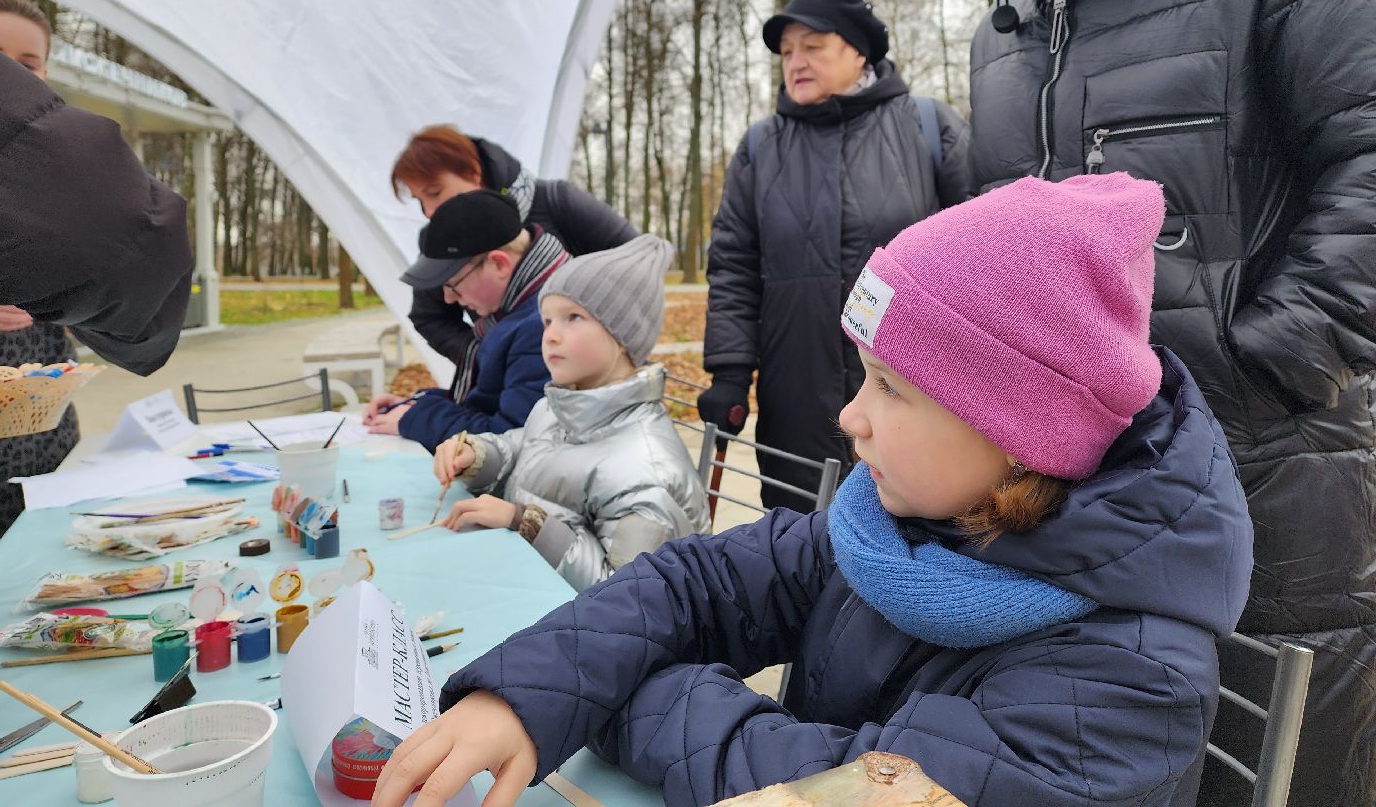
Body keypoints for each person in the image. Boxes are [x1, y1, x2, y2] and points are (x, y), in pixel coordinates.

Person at [907, 0, 1376, 804]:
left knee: (1295, 777)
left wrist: (1259, 371)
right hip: (1085, 518)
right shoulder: (1004, 39)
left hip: (1286, 501)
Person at [371, 173, 1253, 807]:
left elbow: (850, 792)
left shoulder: (1130, 682)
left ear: (1019, 432)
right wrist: (527, 691)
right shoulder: (895, 525)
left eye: (890, 388)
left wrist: (621, 690)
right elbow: (691, 582)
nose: (849, 418)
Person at [698, 0, 970, 508]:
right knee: (799, 540)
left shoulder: (931, 128)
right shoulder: (760, 147)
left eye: (812, 46)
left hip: (918, 388)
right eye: (786, 52)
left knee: (919, 536)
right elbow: (732, 267)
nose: (795, 61)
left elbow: (987, 250)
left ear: (858, 51)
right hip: (795, 391)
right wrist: (729, 374)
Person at [430, 235, 710, 591]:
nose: (550, 337)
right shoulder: (555, 407)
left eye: (573, 317)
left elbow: (628, 594)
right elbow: (528, 448)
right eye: (547, 321)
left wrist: (527, 523)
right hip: (534, 597)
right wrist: (476, 456)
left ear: (623, 337)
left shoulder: (646, 473)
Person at [0, 1, 193, 377]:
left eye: (28, 63)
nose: (11, 72)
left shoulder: (82, 165)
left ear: (45, 72)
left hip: (43, 403)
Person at [391, 125, 635, 366]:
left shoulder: (557, 201)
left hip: (595, 374)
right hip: (509, 384)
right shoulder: (438, 239)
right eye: (419, 201)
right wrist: (485, 355)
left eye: (434, 192)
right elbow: (429, 316)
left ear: (473, 173)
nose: (429, 211)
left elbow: (638, 258)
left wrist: (600, 342)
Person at [362, 191, 567, 450]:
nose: (448, 298)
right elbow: (491, 403)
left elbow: (507, 441)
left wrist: (418, 418)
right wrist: (417, 406)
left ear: (499, 264)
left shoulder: (540, 326)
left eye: (452, 284)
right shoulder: (526, 308)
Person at [0, 0, 78, 547]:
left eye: (27, 62)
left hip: (41, 429)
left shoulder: (59, 162)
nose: (8, 71)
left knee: (34, 573)